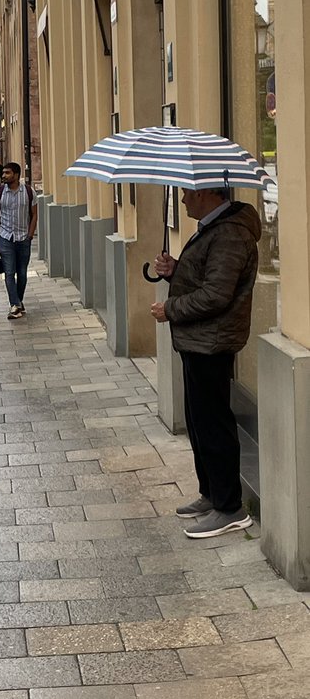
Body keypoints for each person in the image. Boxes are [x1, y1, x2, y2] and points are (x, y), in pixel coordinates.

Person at [150, 187, 261, 539]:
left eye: (187, 195)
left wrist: (170, 309)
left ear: (207, 194)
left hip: (212, 341)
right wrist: (175, 271)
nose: (182, 201)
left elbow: (216, 294)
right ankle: (211, 493)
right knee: (199, 421)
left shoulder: (230, 233)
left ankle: (230, 508)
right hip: (198, 340)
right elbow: (206, 277)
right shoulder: (214, 228)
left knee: (213, 423)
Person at [0, 162, 37, 319]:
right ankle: (14, 304)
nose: (4, 175)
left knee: (22, 273)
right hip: (5, 237)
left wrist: (30, 235)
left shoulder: (29, 192)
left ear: (16, 175)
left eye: (8, 173)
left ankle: (18, 301)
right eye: (3, 173)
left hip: (23, 237)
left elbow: (34, 214)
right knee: (9, 273)